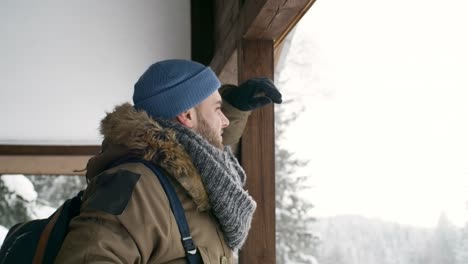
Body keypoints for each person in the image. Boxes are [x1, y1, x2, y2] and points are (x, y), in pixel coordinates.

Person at [55, 59, 282, 263]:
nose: (224, 121)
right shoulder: (136, 186)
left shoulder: (200, 170)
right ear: (186, 115)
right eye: (218, 108)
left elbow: (207, 139)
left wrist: (235, 107)